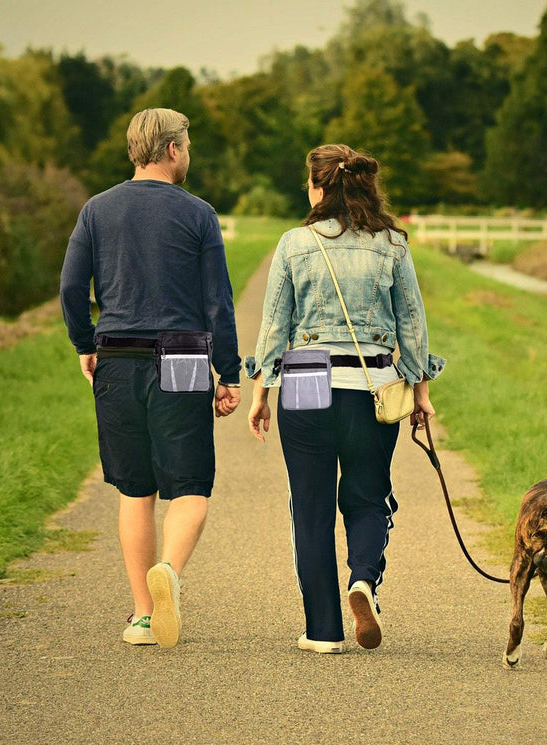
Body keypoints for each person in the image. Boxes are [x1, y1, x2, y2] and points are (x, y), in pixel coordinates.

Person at [246, 144, 445, 654]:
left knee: (309, 506)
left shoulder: (294, 243)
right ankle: (363, 580)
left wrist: (261, 392)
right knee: (367, 496)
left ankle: (322, 631)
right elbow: (413, 325)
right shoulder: (393, 245)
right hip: (373, 384)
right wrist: (420, 392)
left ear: (320, 187)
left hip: (307, 378)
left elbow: (274, 326)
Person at [60, 108, 241, 649]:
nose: (188, 155)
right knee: (189, 487)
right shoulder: (199, 214)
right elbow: (218, 303)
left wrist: (84, 343)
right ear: (170, 151)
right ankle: (169, 570)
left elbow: (72, 288)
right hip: (183, 355)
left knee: (135, 490)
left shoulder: (96, 210)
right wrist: (227, 374)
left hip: (116, 355)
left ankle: (142, 613)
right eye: (186, 145)